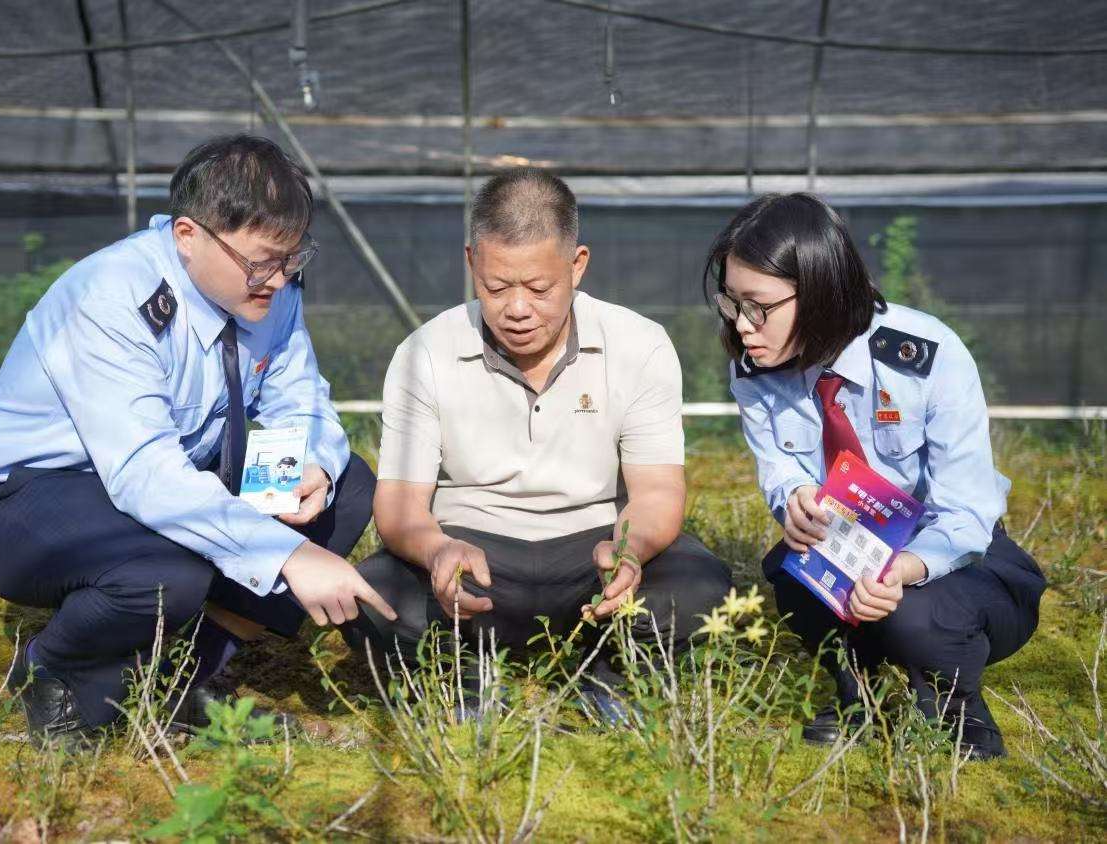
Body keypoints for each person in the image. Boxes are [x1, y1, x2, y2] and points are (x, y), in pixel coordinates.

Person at [0, 134, 397, 747]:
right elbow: (145, 475)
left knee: (347, 487)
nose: (279, 278)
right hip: (21, 501)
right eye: (261, 261)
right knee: (166, 569)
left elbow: (299, 396)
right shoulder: (112, 295)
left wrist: (307, 464)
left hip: (162, 485)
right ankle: (57, 675)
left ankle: (192, 679)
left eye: (293, 259)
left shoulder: (269, 289)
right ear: (188, 234)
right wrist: (287, 555)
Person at [345, 169, 732, 719]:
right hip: (471, 558)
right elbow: (401, 506)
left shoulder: (638, 344)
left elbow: (657, 492)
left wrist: (629, 552)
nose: (518, 309)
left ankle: (602, 667)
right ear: (472, 262)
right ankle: (467, 673)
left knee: (700, 585)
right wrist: (437, 552)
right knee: (367, 597)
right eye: (497, 287)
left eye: (539, 288)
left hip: (593, 552)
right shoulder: (425, 353)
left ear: (577, 266)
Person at [710, 192, 1045, 759]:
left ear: (817, 291)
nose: (743, 325)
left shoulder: (926, 356)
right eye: (732, 303)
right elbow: (778, 467)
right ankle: (855, 694)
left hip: (960, 557)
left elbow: (966, 514)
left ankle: (958, 713)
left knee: (910, 613)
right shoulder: (756, 369)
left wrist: (906, 568)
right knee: (794, 573)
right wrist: (793, 498)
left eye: (758, 306)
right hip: (849, 546)